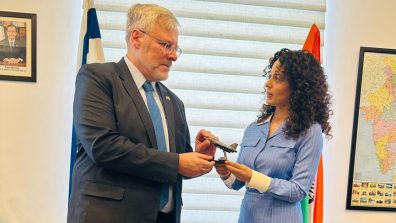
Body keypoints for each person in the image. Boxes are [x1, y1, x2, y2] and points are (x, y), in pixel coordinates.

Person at [67, 4, 216, 223]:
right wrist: (176, 162)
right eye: (166, 45)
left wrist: (198, 156)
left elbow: (177, 164)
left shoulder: (174, 102)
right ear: (136, 38)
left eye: (176, 48)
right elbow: (102, 146)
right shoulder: (97, 78)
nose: (174, 56)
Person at [215, 48, 332, 223]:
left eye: (277, 78)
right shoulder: (253, 128)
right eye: (269, 76)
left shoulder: (310, 131)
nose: (268, 84)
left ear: (298, 87)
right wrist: (225, 173)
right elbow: (237, 183)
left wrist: (252, 177)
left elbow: (298, 190)